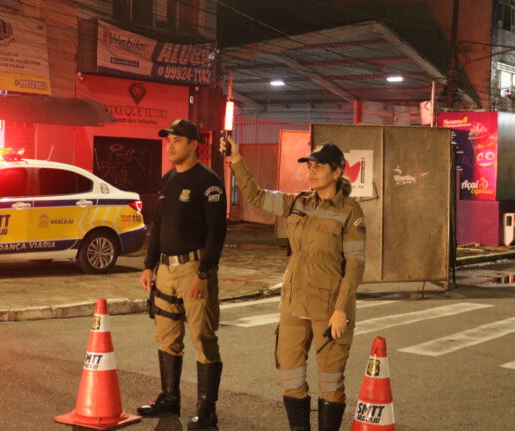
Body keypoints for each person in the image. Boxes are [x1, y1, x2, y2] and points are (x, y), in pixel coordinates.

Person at [220, 136, 366, 431]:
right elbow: (258, 197)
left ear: (337, 172)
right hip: (294, 303)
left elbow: (354, 265)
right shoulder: (297, 202)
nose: (310, 172)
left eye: (318, 167)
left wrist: (341, 310)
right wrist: (236, 160)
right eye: (309, 166)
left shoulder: (350, 212)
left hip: (329, 307)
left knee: (330, 381)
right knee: (289, 375)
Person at [138, 119, 227, 429]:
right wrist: (149, 265)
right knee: (166, 335)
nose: (170, 145)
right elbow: (158, 225)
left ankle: (207, 408)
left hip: (193, 269)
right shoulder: (169, 179)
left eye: (177, 140)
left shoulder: (209, 182)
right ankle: (169, 396)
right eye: (168, 140)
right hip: (165, 270)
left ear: (194, 145)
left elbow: (217, 234)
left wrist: (203, 273)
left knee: (203, 336)